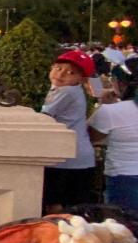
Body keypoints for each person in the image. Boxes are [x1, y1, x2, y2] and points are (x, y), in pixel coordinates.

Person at [40, 50, 96, 214]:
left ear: (81, 79)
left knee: (56, 208)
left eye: (70, 72)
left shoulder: (66, 92)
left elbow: (44, 117)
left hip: (66, 159)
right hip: (78, 158)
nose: (62, 74)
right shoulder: (67, 90)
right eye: (58, 68)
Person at [88, 56, 138, 209]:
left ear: (123, 84)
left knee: (124, 227)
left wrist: (102, 106)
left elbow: (91, 137)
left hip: (124, 177)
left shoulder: (111, 111)